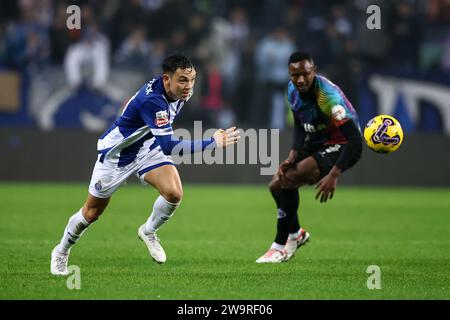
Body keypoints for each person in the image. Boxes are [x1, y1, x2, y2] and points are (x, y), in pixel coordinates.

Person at [50, 53, 240, 275]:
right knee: (91, 213)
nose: (189, 86)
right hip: (117, 156)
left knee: (174, 193)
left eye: (192, 79)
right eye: (183, 80)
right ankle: (61, 251)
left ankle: (148, 231)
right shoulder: (153, 101)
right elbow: (168, 146)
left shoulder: (180, 92)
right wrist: (212, 142)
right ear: (166, 79)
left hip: (147, 147)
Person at [256, 52, 363, 263]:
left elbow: (355, 140)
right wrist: (292, 155)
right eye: (295, 75)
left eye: (305, 74)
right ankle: (296, 233)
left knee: (290, 180)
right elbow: (299, 123)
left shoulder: (328, 98)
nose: (300, 80)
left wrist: (334, 174)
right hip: (317, 140)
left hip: (341, 144)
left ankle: (280, 247)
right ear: (290, 74)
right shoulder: (292, 90)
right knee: (276, 186)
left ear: (313, 70)